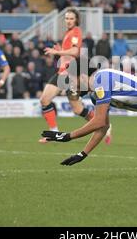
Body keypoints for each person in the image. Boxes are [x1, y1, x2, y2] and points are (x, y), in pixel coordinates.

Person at [39, 8, 112, 144]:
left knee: (75, 108)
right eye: (66, 18)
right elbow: (69, 53)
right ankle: (54, 132)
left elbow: (75, 51)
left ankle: (104, 126)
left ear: (76, 20)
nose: (68, 21)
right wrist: (61, 51)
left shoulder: (76, 32)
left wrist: (57, 52)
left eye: (71, 18)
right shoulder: (68, 33)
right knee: (49, 101)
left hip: (70, 73)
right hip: (63, 72)